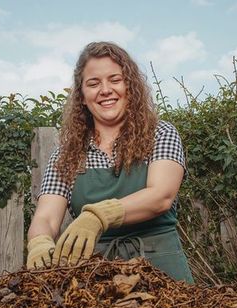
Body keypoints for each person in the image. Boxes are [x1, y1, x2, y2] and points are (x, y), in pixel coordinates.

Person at [26, 41, 194, 283]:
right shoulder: (66, 154)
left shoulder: (160, 134)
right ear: (82, 97)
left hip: (161, 268)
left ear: (130, 86)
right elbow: (46, 218)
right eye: (93, 83)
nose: (105, 90)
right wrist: (39, 242)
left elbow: (161, 196)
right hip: (96, 274)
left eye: (115, 80)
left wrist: (98, 216)